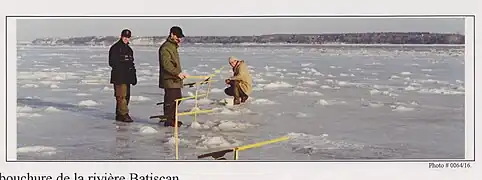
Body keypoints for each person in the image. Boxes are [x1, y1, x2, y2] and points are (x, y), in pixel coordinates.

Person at [158, 26, 189, 127]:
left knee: (177, 98)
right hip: (169, 79)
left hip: (175, 79)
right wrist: (177, 73)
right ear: (172, 34)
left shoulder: (173, 46)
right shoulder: (166, 47)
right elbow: (167, 65)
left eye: (180, 37)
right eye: (177, 36)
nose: (179, 39)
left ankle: (172, 118)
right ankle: (169, 120)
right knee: (171, 100)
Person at [108, 29, 137, 122]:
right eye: (125, 37)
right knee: (121, 96)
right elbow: (112, 62)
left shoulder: (129, 50)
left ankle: (120, 114)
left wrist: (133, 76)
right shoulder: (115, 48)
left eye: (128, 37)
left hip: (127, 77)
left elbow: (132, 64)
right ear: (121, 36)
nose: (126, 39)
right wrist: (122, 68)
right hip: (119, 77)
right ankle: (124, 114)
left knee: (126, 96)